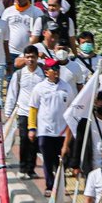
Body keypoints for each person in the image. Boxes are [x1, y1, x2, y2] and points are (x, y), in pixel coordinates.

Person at [28, 58, 75, 195]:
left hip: (62, 131)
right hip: (45, 131)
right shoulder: (39, 88)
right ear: (46, 72)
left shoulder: (66, 87)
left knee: (61, 160)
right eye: (53, 69)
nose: (56, 71)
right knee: (48, 161)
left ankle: (61, 185)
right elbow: (33, 108)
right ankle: (49, 186)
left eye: (57, 69)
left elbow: (71, 108)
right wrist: (32, 128)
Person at [4, 45, 44, 179]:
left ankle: (31, 169)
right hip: (23, 111)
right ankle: (22, 168)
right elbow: (12, 93)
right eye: (28, 57)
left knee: (34, 141)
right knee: (24, 139)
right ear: (24, 58)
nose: (30, 60)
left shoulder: (43, 74)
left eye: (33, 57)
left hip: (39, 113)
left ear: (37, 58)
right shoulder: (19, 74)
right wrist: (8, 113)